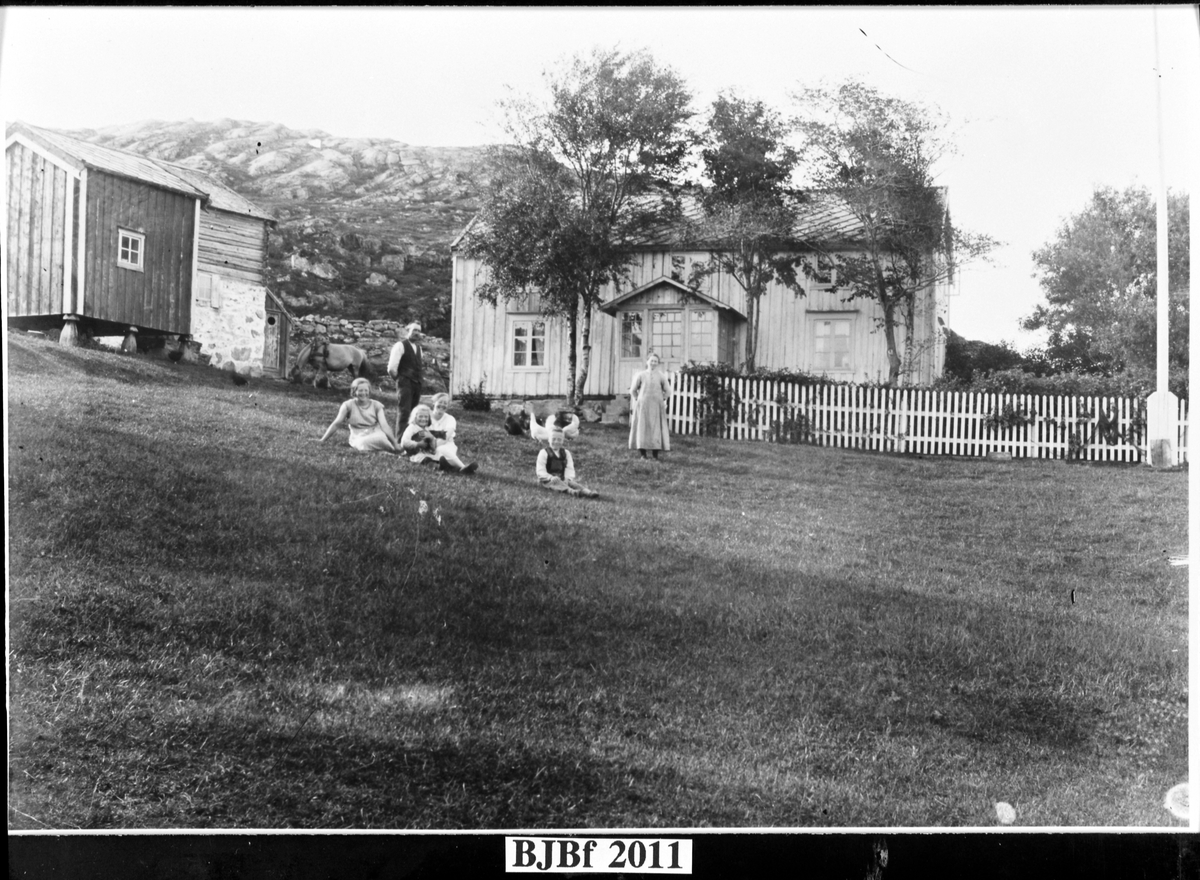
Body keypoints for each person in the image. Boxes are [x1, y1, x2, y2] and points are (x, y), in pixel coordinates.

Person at [319, 377, 400, 453]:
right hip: (358, 435)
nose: (363, 393)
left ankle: (393, 449)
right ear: (354, 391)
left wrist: (395, 443)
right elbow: (336, 423)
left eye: (366, 390)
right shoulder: (348, 405)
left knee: (381, 439)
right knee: (362, 443)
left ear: (369, 391)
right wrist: (323, 440)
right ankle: (385, 451)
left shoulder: (377, 405)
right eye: (360, 390)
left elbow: (384, 425)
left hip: (375, 432)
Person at [401, 404, 478, 474]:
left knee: (442, 450)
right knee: (427, 460)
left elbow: (432, 440)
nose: (423, 419)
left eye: (426, 417)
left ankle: (462, 467)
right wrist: (417, 444)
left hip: (428, 452)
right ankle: (445, 468)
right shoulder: (411, 428)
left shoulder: (427, 428)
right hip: (416, 454)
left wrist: (432, 444)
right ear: (415, 417)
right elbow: (404, 442)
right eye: (420, 416)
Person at [628, 352, 672, 459]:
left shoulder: (661, 376)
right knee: (642, 428)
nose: (653, 363)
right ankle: (643, 454)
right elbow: (633, 390)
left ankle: (655, 455)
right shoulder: (641, 375)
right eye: (651, 361)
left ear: (658, 363)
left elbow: (668, 390)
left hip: (656, 407)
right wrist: (638, 398)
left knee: (656, 429)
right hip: (643, 406)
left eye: (655, 361)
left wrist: (663, 399)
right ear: (647, 361)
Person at [536, 428, 598, 497]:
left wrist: (567, 478)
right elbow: (540, 470)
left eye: (559, 439)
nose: (556, 442)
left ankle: (588, 492)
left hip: (562, 478)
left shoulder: (566, 453)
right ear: (548, 439)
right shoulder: (544, 452)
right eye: (553, 439)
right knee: (558, 484)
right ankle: (573, 492)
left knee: (573, 484)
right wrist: (550, 477)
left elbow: (569, 468)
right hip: (548, 480)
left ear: (563, 440)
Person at [387, 321, 424, 434]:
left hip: (417, 383)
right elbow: (392, 368)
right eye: (414, 330)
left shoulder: (419, 348)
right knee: (404, 412)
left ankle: (410, 438)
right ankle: (399, 441)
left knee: (414, 413)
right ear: (407, 332)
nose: (416, 333)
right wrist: (401, 380)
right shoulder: (400, 345)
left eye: (418, 331)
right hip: (405, 382)